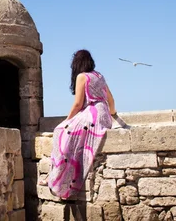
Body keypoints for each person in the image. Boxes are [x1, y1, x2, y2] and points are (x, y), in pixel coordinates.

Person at [38, 49, 125, 199]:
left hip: (92, 114)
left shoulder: (82, 77)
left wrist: (67, 120)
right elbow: (111, 100)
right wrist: (112, 114)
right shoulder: (99, 76)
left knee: (60, 130)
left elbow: (78, 104)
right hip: (103, 113)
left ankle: (56, 177)